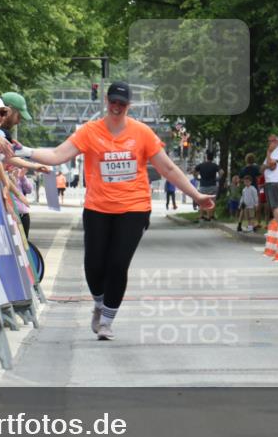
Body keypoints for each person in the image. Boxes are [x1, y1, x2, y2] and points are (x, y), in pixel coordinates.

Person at [15, 81, 214, 340]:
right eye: (113, 102)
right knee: (94, 265)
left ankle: (107, 322)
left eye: (122, 103)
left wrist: (196, 195)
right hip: (98, 207)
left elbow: (168, 168)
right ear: (107, 102)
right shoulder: (90, 131)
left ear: (129, 105)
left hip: (134, 207)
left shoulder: (142, 133)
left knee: (118, 264)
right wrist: (25, 151)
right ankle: (99, 304)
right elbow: (57, 155)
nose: (117, 107)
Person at [263, 133, 278, 224]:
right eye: (268, 141)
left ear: (277, 142)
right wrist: (268, 165)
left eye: (271, 141)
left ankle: (277, 227)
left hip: (275, 181)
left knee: (275, 205)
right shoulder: (272, 153)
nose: (269, 143)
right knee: (273, 205)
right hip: (269, 181)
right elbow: (261, 168)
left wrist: (268, 152)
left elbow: (271, 166)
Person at [195, 152, 220, 221]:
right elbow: (221, 172)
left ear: (206, 157)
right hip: (212, 185)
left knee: (202, 201)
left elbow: (194, 170)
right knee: (212, 201)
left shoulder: (201, 165)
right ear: (213, 158)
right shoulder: (215, 165)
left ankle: (201, 215)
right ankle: (211, 216)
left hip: (203, 185)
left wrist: (196, 177)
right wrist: (218, 178)